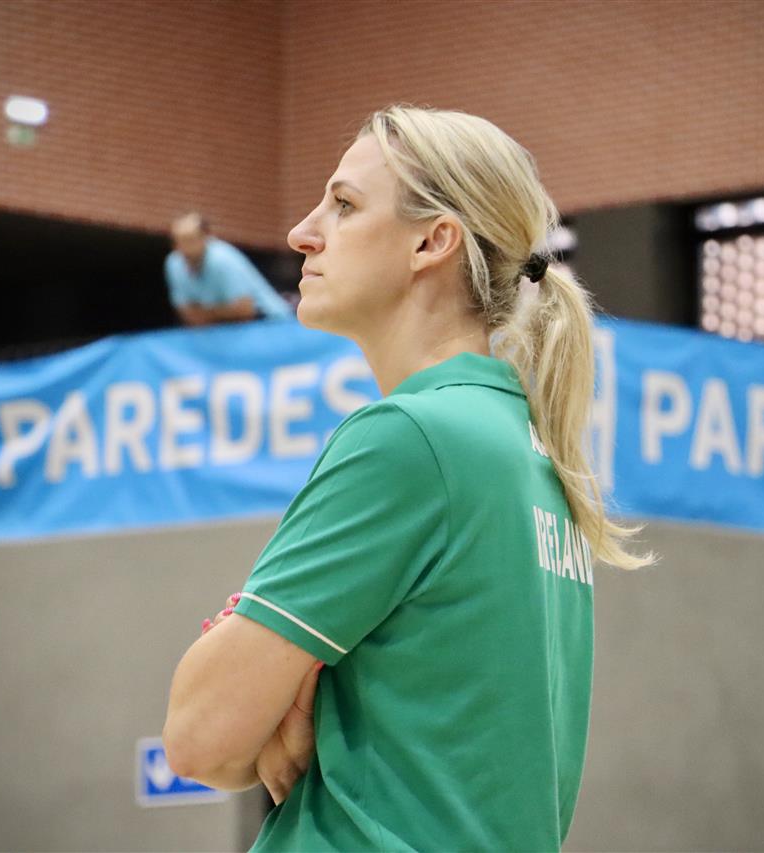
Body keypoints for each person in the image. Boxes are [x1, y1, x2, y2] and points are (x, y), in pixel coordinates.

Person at [162, 105, 649, 851]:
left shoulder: (410, 439)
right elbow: (231, 756)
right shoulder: (532, 454)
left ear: (432, 241)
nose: (301, 233)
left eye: (344, 205)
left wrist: (283, 681)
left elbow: (199, 737)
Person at [164, 212, 292, 325]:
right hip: (226, 329)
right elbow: (189, 315)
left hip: (271, 321)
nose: (185, 247)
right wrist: (223, 311)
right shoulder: (174, 264)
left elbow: (245, 310)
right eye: (179, 241)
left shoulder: (222, 258)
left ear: (206, 238)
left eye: (190, 239)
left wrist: (205, 314)